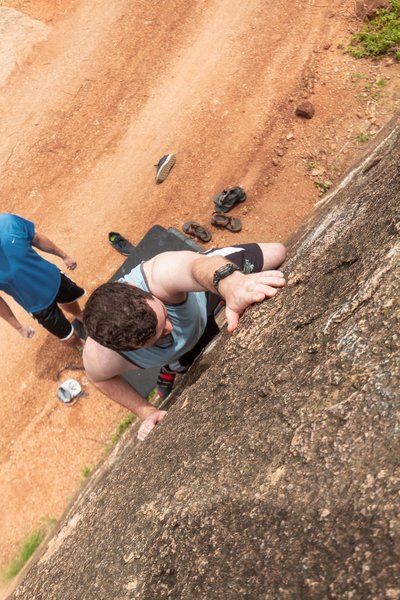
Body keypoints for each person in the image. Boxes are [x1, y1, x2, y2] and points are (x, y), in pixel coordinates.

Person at [83, 243, 286, 440]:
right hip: (184, 348)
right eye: (159, 336)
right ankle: (169, 370)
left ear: (136, 289)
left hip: (203, 290)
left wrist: (232, 284)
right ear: (125, 350)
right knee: (182, 362)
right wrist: (146, 411)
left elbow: (195, 266)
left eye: (163, 317)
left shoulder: (159, 273)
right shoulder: (101, 357)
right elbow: (99, 378)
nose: (170, 329)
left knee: (276, 253)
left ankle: (222, 296)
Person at [0, 213, 85, 348]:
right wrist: (19, 327)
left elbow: (37, 239)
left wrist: (64, 256)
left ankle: (80, 315)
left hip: (54, 280)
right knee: (69, 337)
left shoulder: (7, 222)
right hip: (37, 306)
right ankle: (81, 346)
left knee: (71, 303)